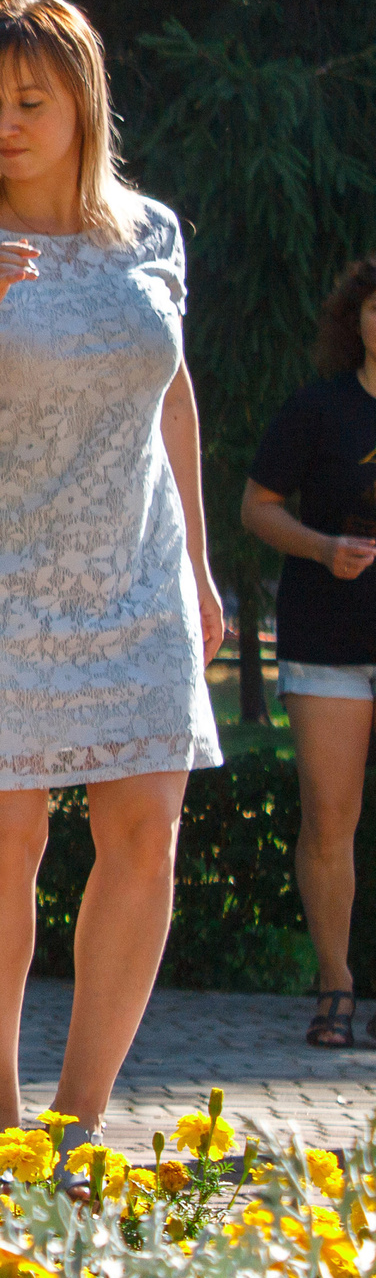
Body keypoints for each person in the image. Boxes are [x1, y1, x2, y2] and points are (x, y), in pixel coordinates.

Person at [0, 0, 222, 1190]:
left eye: (31, 100)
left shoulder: (155, 234)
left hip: (137, 579)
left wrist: (198, 566)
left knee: (144, 841)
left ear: (84, 99)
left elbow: (170, 395)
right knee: (5, 845)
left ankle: (76, 1131)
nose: (7, 123)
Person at [241, 256, 376, 1047]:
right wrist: (325, 548)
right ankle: (336, 983)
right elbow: (257, 509)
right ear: (353, 321)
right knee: (330, 819)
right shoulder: (316, 410)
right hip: (327, 643)